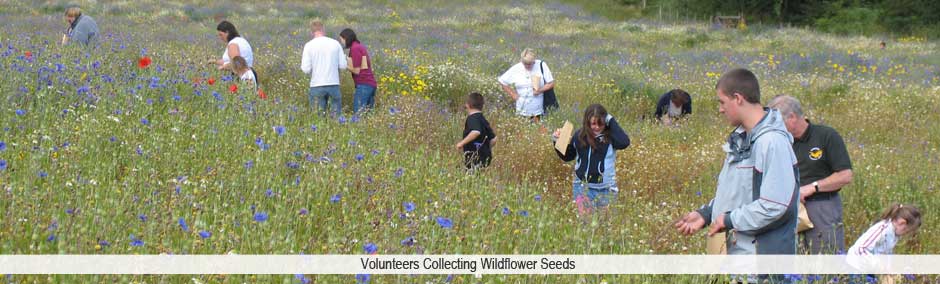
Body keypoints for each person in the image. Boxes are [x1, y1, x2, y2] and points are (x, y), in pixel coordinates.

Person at [674, 68, 799, 283]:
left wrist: (730, 219)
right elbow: (739, 194)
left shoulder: (771, 143)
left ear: (738, 99)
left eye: (722, 102)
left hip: (761, 265)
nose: (720, 109)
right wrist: (706, 214)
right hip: (739, 260)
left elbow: (775, 205)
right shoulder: (742, 140)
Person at [767, 95, 854, 255]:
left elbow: (845, 175)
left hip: (822, 207)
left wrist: (812, 187)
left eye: (778, 122)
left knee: (825, 258)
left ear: (792, 117)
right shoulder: (780, 142)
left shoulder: (826, 136)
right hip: (789, 209)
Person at [552, 104, 630, 212]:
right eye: (593, 123)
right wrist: (557, 140)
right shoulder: (579, 135)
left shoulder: (611, 137)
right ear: (587, 122)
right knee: (586, 225)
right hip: (582, 188)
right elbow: (568, 156)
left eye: (601, 123)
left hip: (606, 189)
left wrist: (611, 120)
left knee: (605, 225)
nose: (597, 127)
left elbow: (624, 142)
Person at [847, 203, 921, 283]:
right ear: (902, 223)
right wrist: (877, 264)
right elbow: (860, 249)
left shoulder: (895, 234)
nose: (905, 234)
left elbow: (887, 252)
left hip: (870, 267)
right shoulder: (882, 229)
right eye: (906, 231)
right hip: (857, 266)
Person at [301, 19, 347, 116]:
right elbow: (343, 66)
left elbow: (306, 69)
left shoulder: (309, 46)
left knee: (318, 119)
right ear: (323, 29)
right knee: (336, 118)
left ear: (311, 32)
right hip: (334, 84)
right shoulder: (335, 43)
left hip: (316, 85)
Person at [498, 48, 555, 123]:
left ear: (534, 61)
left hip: (538, 110)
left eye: (530, 64)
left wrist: (539, 90)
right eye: (525, 64)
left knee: (537, 131)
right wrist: (513, 94)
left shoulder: (541, 65)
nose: (527, 66)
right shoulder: (516, 68)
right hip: (521, 109)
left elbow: (551, 83)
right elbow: (502, 81)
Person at [339, 28, 378, 113]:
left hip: (363, 85)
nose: (341, 42)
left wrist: (344, 65)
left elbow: (357, 71)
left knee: (358, 114)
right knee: (368, 115)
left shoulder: (355, 48)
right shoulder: (359, 46)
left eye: (341, 39)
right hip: (370, 84)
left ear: (346, 38)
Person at [455, 92, 497, 169]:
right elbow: (494, 139)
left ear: (468, 105)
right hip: (486, 156)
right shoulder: (482, 119)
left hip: (474, 156)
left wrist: (461, 143)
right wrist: (486, 148)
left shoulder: (472, 118)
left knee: (471, 175)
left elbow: (476, 131)